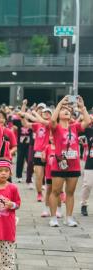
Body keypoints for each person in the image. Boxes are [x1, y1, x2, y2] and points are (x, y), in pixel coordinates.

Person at [48, 96, 91, 227]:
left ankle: (69, 217)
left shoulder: (75, 127)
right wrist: (61, 103)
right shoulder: (56, 127)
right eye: (63, 110)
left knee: (70, 192)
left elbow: (88, 121)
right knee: (55, 191)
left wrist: (82, 107)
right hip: (59, 164)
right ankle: (53, 217)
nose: (66, 111)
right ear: (59, 112)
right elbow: (51, 120)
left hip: (74, 165)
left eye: (68, 110)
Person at [81, 111, 93, 216]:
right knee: (87, 184)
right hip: (91, 161)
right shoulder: (89, 130)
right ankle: (84, 204)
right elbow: (82, 122)